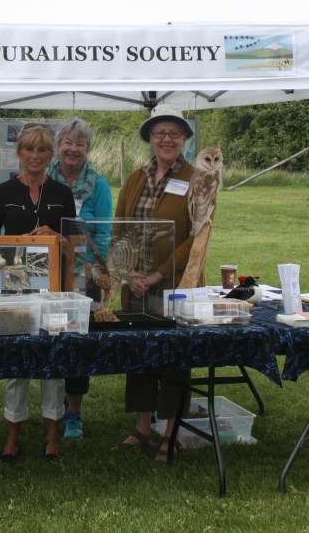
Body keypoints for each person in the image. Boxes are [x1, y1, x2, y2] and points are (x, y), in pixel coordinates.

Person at [112, 104, 205, 463]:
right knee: (140, 353)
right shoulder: (136, 177)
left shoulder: (198, 180)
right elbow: (118, 226)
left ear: (184, 138)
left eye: (174, 133)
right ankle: (141, 427)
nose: (166, 139)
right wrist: (127, 272)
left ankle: (170, 432)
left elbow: (196, 238)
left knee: (174, 356)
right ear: (150, 138)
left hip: (174, 283)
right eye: (159, 133)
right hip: (135, 283)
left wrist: (157, 273)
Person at [0, 123, 76, 462]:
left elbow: (73, 248)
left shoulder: (63, 195)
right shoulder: (2, 191)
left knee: (54, 362)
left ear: (51, 156)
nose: (35, 156)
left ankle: (53, 435)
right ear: (18, 153)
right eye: (29, 149)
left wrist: (56, 238)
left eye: (42, 150)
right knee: (17, 362)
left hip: (55, 291)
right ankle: (13, 433)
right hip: (13, 289)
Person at [46, 116, 113, 441]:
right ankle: (51, 406)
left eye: (80, 144)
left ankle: (73, 411)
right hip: (46, 275)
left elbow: (103, 232)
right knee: (47, 339)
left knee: (76, 345)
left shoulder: (98, 186)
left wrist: (91, 269)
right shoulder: (42, 180)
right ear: (58, 145)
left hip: (83, 278)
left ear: (88, 148)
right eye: (68, 142)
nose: (73, 149)